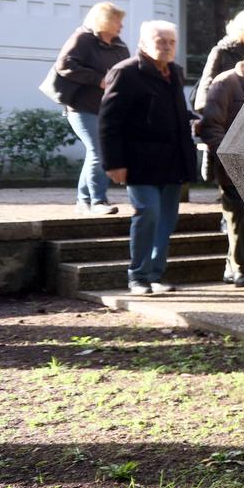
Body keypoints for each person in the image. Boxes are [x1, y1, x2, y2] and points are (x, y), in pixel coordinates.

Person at [100, 20, 197, 295]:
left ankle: (155, 274)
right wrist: (114, 163)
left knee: (167, 220)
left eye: (171, 42)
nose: (166, 46)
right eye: (160, 40)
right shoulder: (126, 72)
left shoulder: (175, 72)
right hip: (139, 161)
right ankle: (138, 276)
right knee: (148, 213)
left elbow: (175, 113)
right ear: (143, 43)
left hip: (173, 161)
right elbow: (109, 122)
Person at [199, 39, 244, 288]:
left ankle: (235, 265)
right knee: (238, 217)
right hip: (233, 164)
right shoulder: (226, 82)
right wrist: (227, 157)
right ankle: (240, 270)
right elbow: (211, 125)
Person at [49, 2, 129, 215]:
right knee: (99, 151)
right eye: (116, 20)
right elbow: (65, 65)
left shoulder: (120, 46)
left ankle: (83, 202)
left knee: (96, 153)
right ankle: (98, 202)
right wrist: (98, 80)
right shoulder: (83, 39)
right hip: (81, 108)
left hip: (108, 109)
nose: (121, 25)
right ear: (103, 20)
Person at [194, 10, 244, 110]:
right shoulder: (221, 51)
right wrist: (207, 112)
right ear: (241, 31)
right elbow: (206, 84)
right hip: (225, 112)